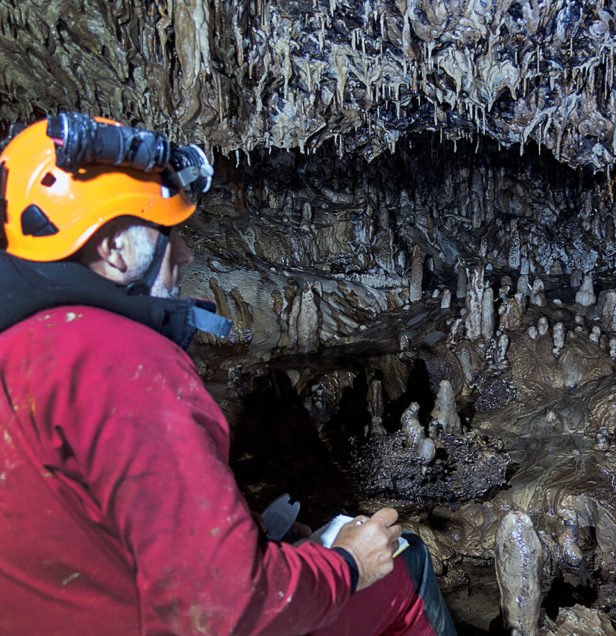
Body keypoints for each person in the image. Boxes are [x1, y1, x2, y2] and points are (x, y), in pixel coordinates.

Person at [0, 115, 456, 635]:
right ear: (114, 249)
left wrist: (256, 543)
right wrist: (349, 565)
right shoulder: (120, 360)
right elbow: (226, 604)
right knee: (404, 564)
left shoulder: (21, 351)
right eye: (169, 233)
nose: (186, 253)